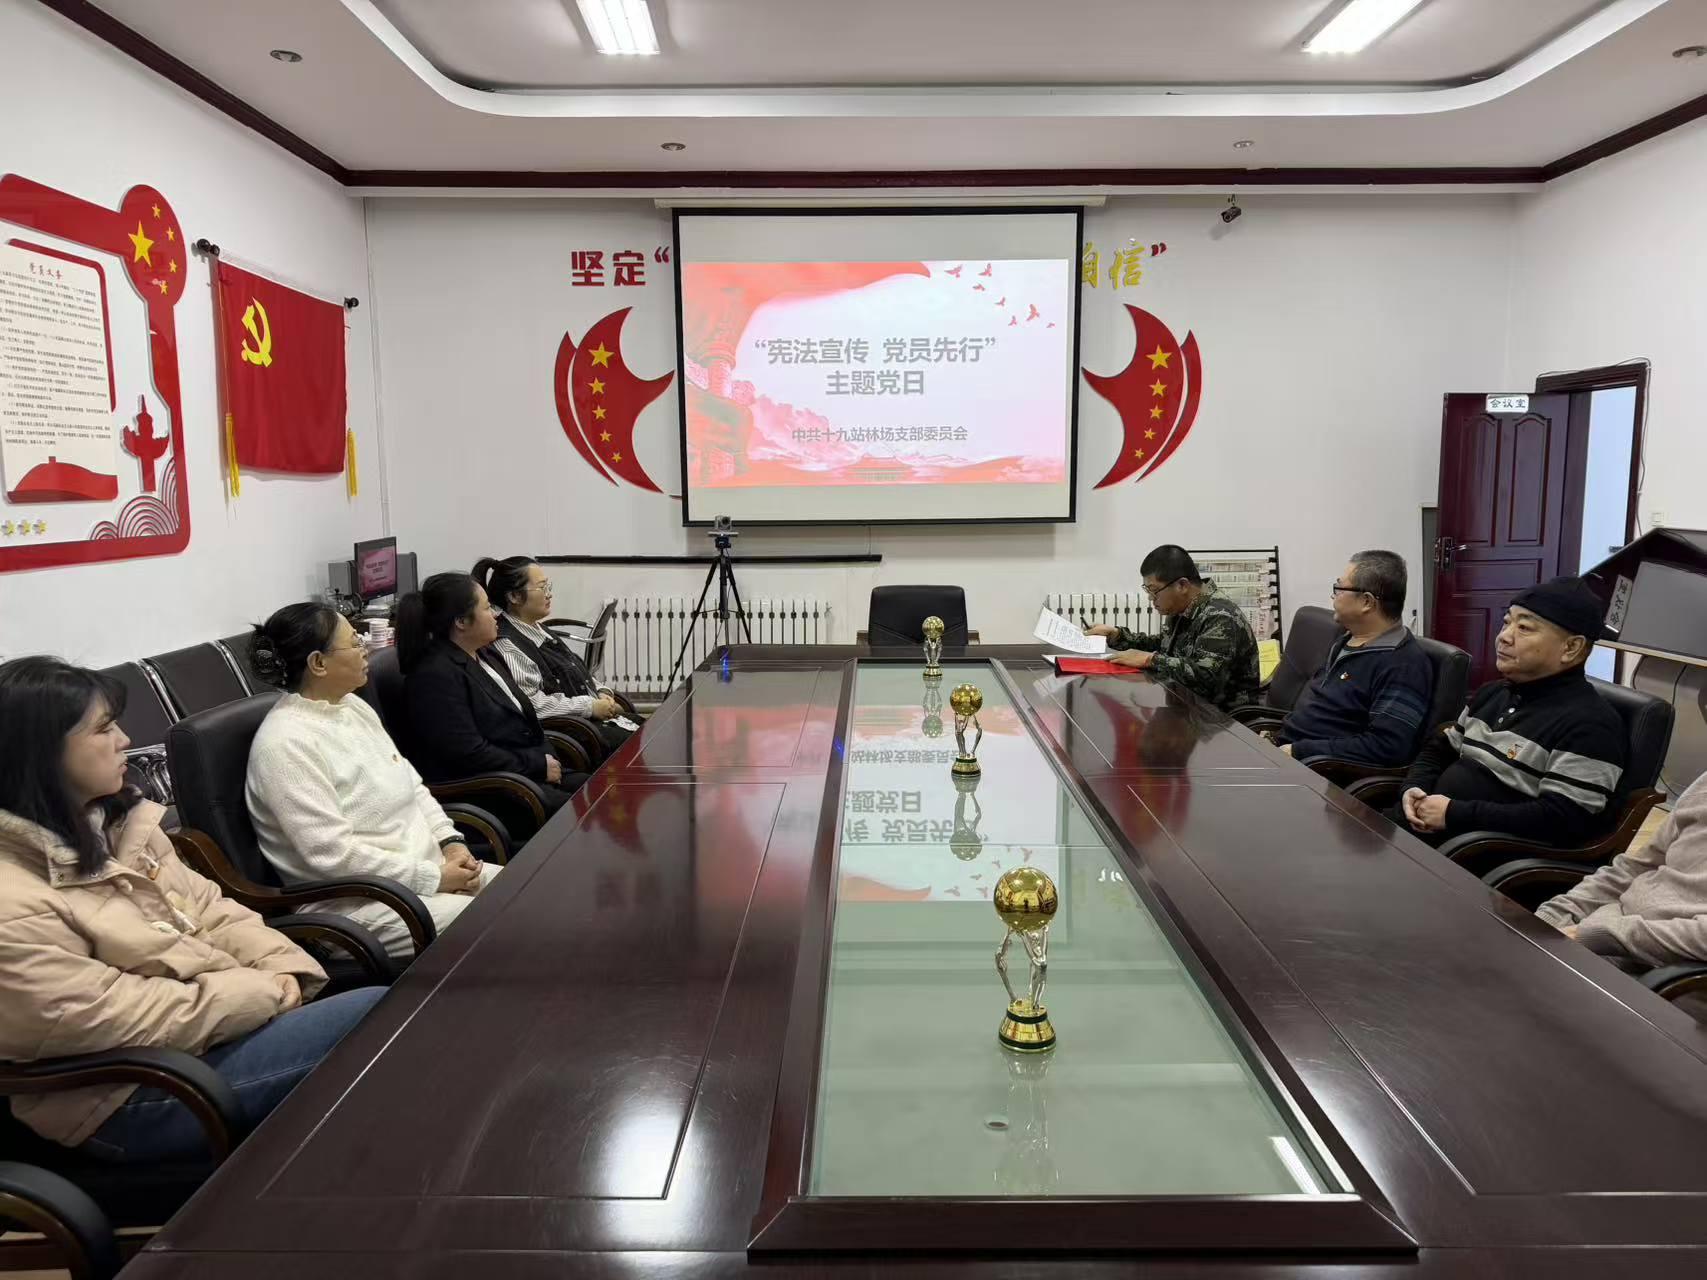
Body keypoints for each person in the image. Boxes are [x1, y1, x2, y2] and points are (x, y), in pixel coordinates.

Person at [0, 656, 383, 1162]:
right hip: (127, 1093)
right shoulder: (12, 896)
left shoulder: (116, 824)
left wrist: (282, 966)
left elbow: (212, 908)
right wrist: (261, 992)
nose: (125, 740)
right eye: (104, 729)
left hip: (208, 1033)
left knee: (393, 1030)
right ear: (40, 753)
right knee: (381, 1021)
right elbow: (102, 1016)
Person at [246, 603, 499, 961]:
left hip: (428, 874)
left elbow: (412, 786)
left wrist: (451, 842)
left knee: (529, 892)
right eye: (354, 642)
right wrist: (434, 878)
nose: (366, 648)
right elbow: (334, 856)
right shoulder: (284, 744)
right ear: (318, 663)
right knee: (504, 926)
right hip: (359, 904)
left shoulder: (353, 707)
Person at [1396, 576, 1624, 848]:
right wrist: (1414, 788)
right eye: (1506, 622)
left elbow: (1563, 818)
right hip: (1421, 834)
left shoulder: (1591, 725)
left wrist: (1454, 813)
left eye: (1524, 627)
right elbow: (1439, 750)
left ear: (1571, 648)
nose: (1503, 636)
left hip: (1473, 856)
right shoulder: (1492, 693)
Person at [396, 572, 586, 812]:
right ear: (461, 622)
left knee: (604, 790)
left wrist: (545, 760)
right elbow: (468, 754)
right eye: (487, 608)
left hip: (527, 773)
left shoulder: (485, 653)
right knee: (585, 811)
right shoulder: (434, 676)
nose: (496, 614)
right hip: (493, 788)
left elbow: (523, 719)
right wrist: (537, 765)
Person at [1274, 550, 1435, 766]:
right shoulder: (1346, 640)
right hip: (1285, 751)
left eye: (1339, 588)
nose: (1334, 596)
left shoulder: (1404, 665)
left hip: (1318, 771)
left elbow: (1386, 747)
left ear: (1367, 602)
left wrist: (1298, 751)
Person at [1536, 770, 1707, 967]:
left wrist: (1597, 935)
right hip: (1601, 932)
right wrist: (1558, 913)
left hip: (1655, 969)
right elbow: (1636, 866)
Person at [475, 555, 634, 760]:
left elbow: (576, 670)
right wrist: (589, 706)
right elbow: (532, 704)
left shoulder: (538, 629)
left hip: (593, 720)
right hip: (576, 733)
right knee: (646, 746)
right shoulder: (508, 645)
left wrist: (603, 693)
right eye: (542, 588)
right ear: (514, 596)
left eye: (548, 586)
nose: (549, 594)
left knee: (653, 732)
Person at [1085, 544, 1261, 712]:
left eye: (1154, 591)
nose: (1151, 598)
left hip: (1223, 720)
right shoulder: (1182, 608)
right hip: (1188, 707)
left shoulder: (1221, 616)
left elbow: (1205, 679)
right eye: (1148, 591)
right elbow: (1163, 644)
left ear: (1182, 585)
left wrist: (1150, 660)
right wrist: (1116, 635)